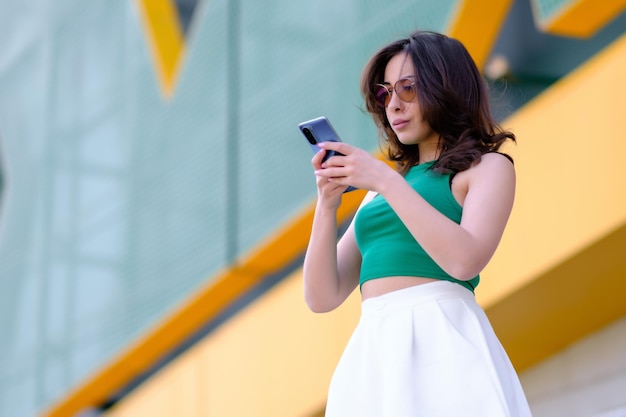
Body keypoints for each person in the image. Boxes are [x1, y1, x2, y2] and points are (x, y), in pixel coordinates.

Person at [303, 30, 533, 417]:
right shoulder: (380, 192)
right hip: (374, 347)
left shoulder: (487, 167)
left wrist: (385, 179)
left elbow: (465, 261)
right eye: (385, 93)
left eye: (407, 89)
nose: (393, 105)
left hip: (443, 335)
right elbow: (321, 297)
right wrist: (327, 205)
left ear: (446, 86)